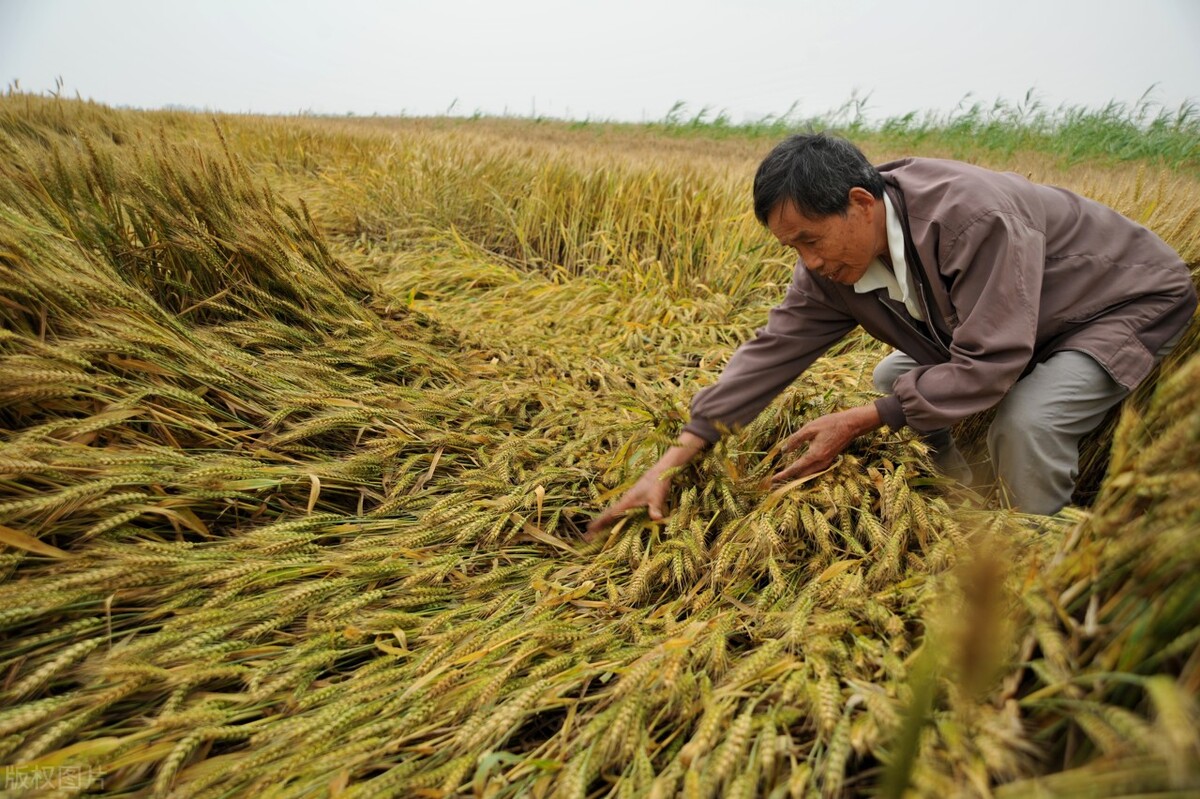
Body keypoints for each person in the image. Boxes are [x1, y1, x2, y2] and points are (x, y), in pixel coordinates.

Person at [588, 133, 1195, 532]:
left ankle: (1034, 545)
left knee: (1029, 419)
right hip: (1025, 318)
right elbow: (768, 358)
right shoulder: (829, 271)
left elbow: (993, 359)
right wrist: (671, 463)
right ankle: (958, 499)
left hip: (1115, 304)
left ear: (860, 203)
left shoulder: (970, 217)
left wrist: (861, 419)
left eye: (809, 239)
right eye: (789, 247)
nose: (808, 261)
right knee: (893, 376)